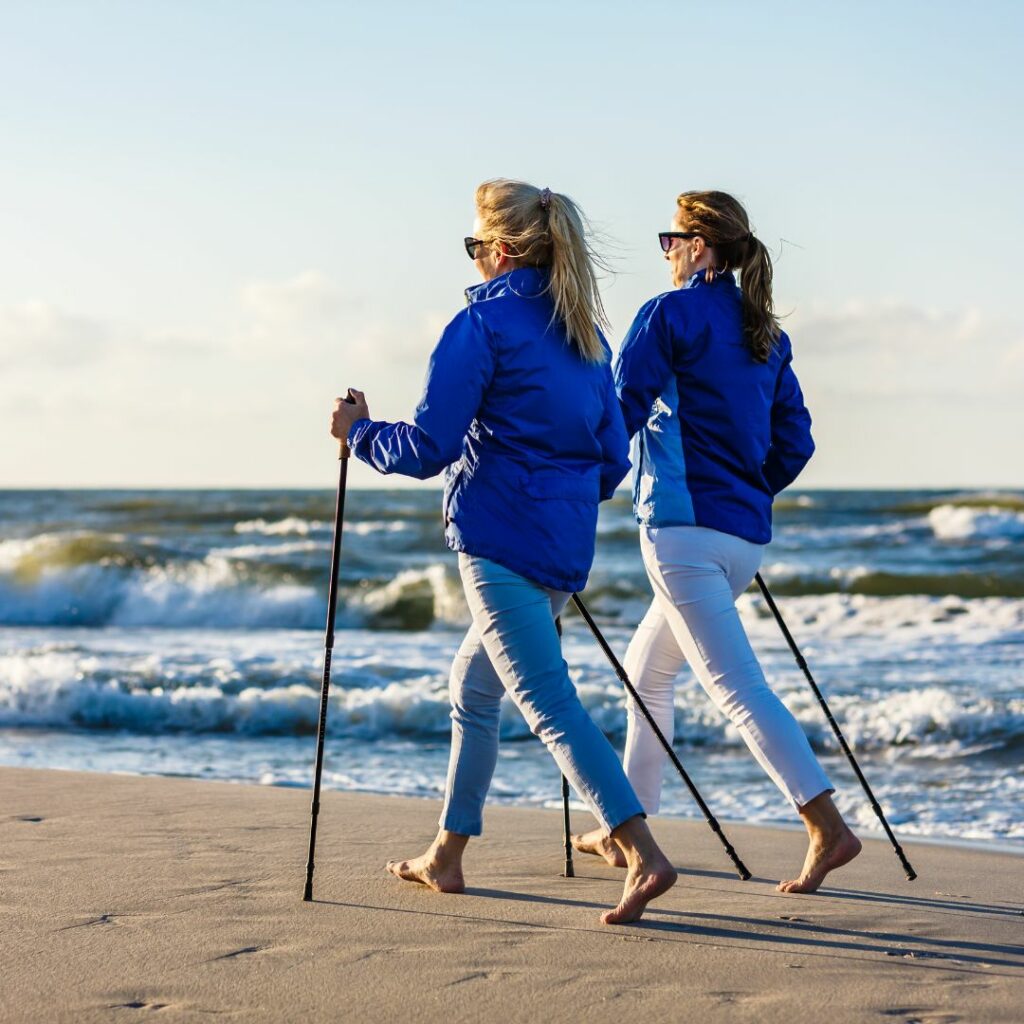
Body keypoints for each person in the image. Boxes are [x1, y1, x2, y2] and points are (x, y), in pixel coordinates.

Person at [329, 179, 676, 924]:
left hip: (497, 542)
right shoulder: (585, 337)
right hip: (560, 549)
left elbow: (428, 447)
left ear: (503, 248)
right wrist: (561, 495)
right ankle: (447, 855)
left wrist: (357, 433)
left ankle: (641, 851)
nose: (475, 259)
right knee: (473, 689)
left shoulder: (482, 325)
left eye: (475, 245)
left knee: (547, 702)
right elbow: (612, 459)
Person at [572, 190, 861, 893]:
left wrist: (580, 485)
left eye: (671, 239)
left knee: (735, 688)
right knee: (649, 676)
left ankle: (826, 824)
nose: (667, 252)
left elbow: (619, 414)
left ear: (699, 247)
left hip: (681, 534)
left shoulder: (669, 314)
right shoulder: (765, 330)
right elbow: (797, 440)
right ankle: (623, 827)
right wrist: (751, 488)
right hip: (740, 541)